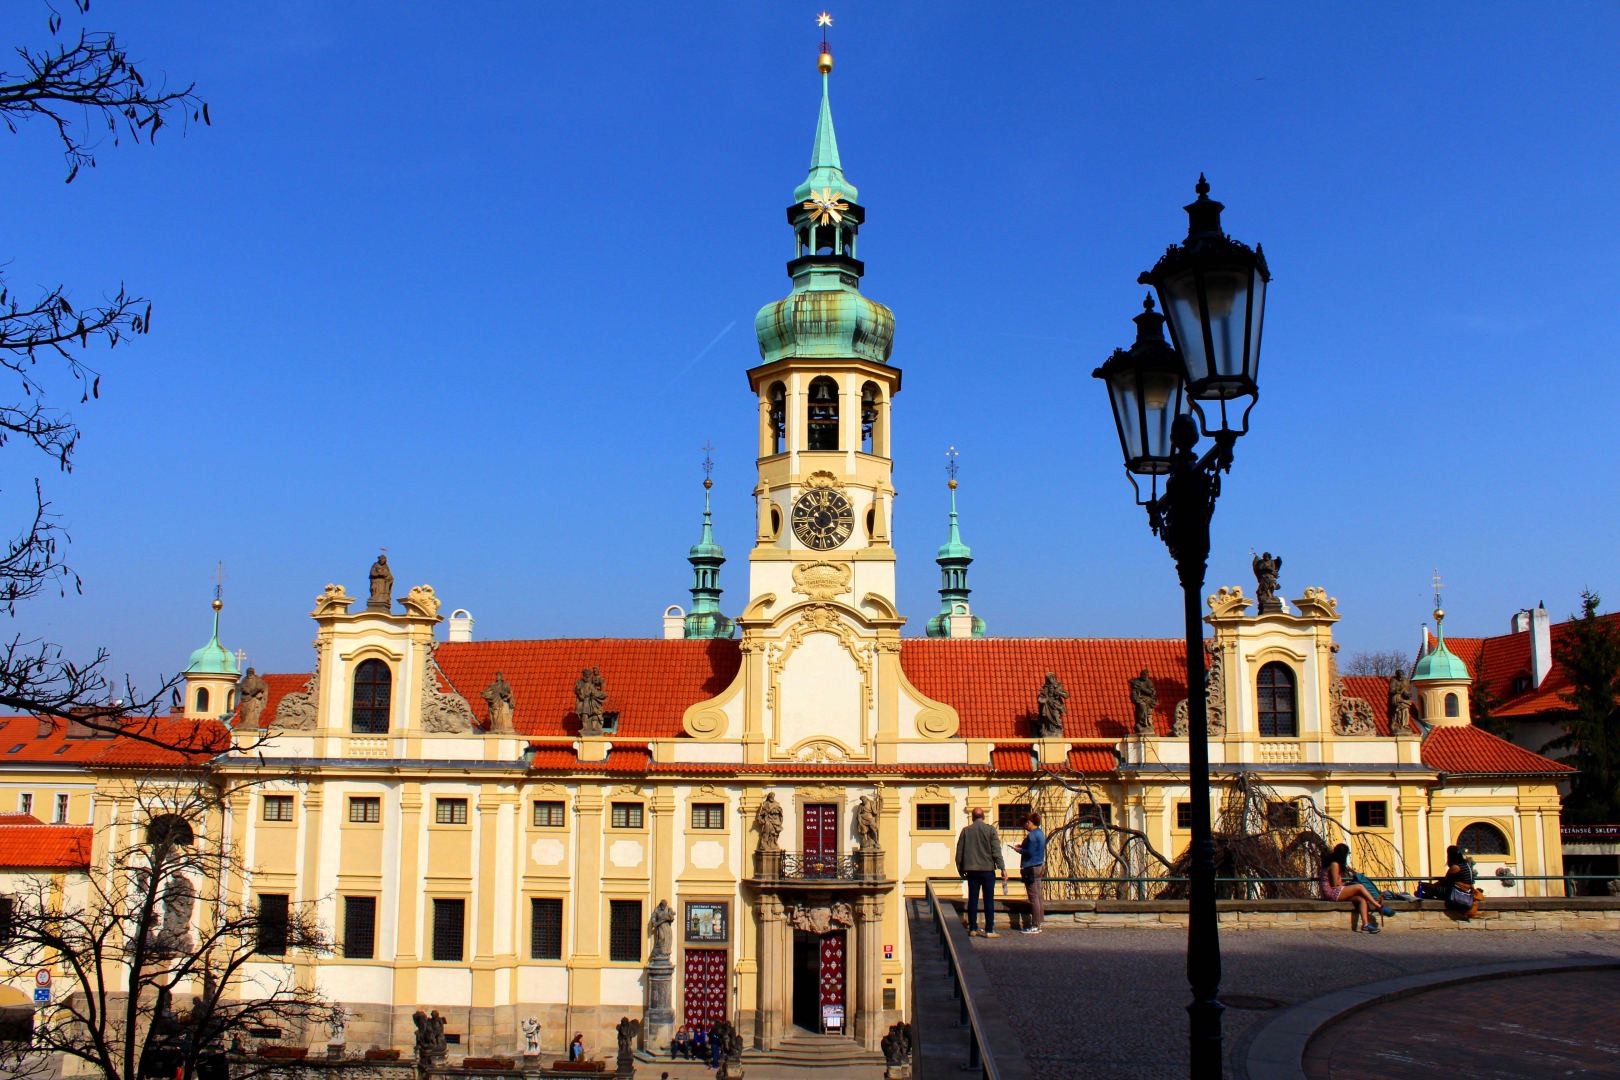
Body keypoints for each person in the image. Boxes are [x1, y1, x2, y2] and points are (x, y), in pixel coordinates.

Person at [955, 806, 1007, 938]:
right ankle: (989, 930)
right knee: (988, 900)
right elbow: (996, 851)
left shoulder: (966, 831)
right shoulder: (990, 830)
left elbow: (959, 852)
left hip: (972, 870)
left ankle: (973, 928)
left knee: (973, 899)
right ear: (983, 817)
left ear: (972, 817)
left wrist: (961, 869)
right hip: (988, 870)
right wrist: (1002, 868)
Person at [1321, 842, 1390, 933]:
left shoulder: (1335, 864)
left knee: (1361, 899)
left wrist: (1347, 885)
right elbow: (1334, 885)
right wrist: (1348, 886)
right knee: (1359, 887)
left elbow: (1338, 883)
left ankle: (1365, 924)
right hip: (1331, 893)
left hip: (1336, 892)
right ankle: (1378, 906)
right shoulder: (1334, 864)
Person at [1013, 811, 1046, 934]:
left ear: (1030, 822)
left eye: (1026, 823)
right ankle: (1039, 921)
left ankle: (1035, 925)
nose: (1024, 826)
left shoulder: (1032, 835)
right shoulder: (1040, 833)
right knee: (1038, 895)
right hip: (1039, 865)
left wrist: (1019, 850)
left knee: (1033, 897)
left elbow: (1029, 852)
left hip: (1031, 867)